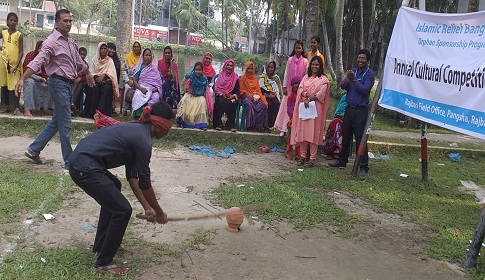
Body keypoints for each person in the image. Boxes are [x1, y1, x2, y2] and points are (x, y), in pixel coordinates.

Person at [69, 101, 174, 276]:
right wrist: (159, 212)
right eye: (169, 126)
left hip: (84, 162)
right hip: (84, 166)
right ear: (160, 123)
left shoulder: (139, 133)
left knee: (115, 187)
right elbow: (145, 184)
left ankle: (101, 245)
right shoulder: (143, 141)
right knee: (123, 210)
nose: (168, 132)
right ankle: (104, 261)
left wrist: (147, 208)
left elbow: (132, 177)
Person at [15, 9, 95, 169]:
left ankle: (33, 150)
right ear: (57, 22)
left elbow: (77, 60)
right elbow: (39, 61)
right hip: (57, 84)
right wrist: (23, 78)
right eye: (65, 21)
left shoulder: (70, 41)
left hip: (68, 84)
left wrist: (87, 72)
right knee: (65, 124)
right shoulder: (51, 42)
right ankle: (69, 161)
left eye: (70, 21)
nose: (68, 23)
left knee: (56, 121)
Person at [329, 49, 375, 175]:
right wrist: (349, 79)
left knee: (360, 138)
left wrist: (354, 80)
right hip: (349, 109)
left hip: (361, 110)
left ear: (368, 61)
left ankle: (363, 166)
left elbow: (365, 90)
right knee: (346, 135)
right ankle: (342, 160)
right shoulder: (353, 71)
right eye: (359, 57)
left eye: (363, 58)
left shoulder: (369, 75)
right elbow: (342, 86)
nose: (360, 60)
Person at [290, 56, 330, 167]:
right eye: (313, 64)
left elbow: (322, 94)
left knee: (314, 133)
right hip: (304, 108)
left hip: (316, 109)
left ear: (320, 66)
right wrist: (306, 95)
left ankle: (312, 158)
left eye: (317, 64)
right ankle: (302, 156)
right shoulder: (305, 78)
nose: (314, 66)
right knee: (303, 132)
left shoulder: (324, 80)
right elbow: (300, 89)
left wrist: (310, 98)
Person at [274, 40, 308, 137]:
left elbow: (306, 76)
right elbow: (287, 73)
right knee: (286, 108)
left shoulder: (305, 61)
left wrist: (303, 89)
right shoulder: (290, 60)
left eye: (299, 48)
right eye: (296, 48)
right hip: (289, 89)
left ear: (302, 49)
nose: (298, 50)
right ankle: (283, 129)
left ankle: (295, 130)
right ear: (294, 49)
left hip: (300, 90)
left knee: (296, 110)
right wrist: (284, 87)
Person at [81, 42, 118, 118]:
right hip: (94, 80)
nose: (103, 50)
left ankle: (101, 113)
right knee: (95, 87)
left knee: (107, 89)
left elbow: (112, 74)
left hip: (106, 81)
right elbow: (90, 72)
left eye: (105, 49)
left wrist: (104, 75)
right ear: (99, 49)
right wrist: (96, 77)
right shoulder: (94, 60)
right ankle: (92, 112)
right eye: (102, 48)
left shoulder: (110, 61)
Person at [21, 40, 52, 117]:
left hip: (43, 79)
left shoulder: (48, 57)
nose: (41, 51)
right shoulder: (30, 55)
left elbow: (51, 70)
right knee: (29, 82)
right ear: (37, 48)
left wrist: (47, 79)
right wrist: (39, 78)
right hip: (31, 78)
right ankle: (27, 109)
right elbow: (25, 71)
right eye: (39, 48)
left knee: (52, 84)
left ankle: (45, 108)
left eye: (43, 49)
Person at [1, 12, 23, 115]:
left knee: (16, 85)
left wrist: (16, 65)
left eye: (15, 20)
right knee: (4, 84)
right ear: (7, 21)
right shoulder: (4, 32)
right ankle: (6, 106)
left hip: (15, 64)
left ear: (17, 22)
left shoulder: (19, 34)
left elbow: (21, 52)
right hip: (3, 62)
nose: (13, 22)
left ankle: (17, 107)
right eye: (11, 20)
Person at [176, 61, 210, 129]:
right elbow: (183, 84)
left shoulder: (204, 79)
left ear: (202, 70)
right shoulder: (190, 76)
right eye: (196, 70)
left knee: (202, 102)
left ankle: (201, 124)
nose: (197, 71)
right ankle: (181, 122)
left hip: (200, 96)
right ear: (194, 70)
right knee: (184, 101)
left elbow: (207, 90)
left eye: (199, 70)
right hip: (190, 95)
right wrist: (183, 93)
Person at [131, 48, 163, 118]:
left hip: (152, 89)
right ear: (143, 56)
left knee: (156, 96)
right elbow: (135, 81)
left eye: (149, 55)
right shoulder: (139, 68)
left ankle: (149, 114)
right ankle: (138, 116)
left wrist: (156, 89)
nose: (148, 57)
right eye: (146, 55)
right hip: (142, 87)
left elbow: (158, 83)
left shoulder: (154, 68)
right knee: (138, 95)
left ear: (152, 56)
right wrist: (141, 88)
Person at [239, 61, 268, 132]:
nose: (250, 70)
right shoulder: (243, 79)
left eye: (251, 69)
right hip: (246, 97)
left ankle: (258, 126)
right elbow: (241, 90)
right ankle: (250, 126)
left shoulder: (255, 79)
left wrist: (254, 95)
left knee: (263, 105)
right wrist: (248, 95)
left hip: (255, 97)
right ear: (246, 69)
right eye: (248, 68)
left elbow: (258, 90)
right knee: (250, 105)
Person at [213, 58, 239, 132]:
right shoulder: (220, 76)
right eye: (228, 65)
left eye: (231, 66)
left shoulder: (235, 77)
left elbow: (237, 90)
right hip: (221, 95)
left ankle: (230, 125)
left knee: (233, 103)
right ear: (225, 66)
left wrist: (233, 96)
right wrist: (222, 94)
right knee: (221, 101)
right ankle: (218, 124)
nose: (229, 67)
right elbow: (216, 89)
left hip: (231, 96)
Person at [322, 94, 347, 160]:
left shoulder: (354, 100)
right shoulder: (344, 96)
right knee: (333, 130)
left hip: (346, 119)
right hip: (338, 117)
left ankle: (337, 150)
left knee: (338, 131)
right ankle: (330, 151)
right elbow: (338, 109)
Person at [259, 61, 282, 130]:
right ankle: (264, 125)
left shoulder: (276, 78)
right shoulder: (263, 77)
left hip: (274, 96)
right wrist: (266, 95)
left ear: (274, 68)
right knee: (266, 104)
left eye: (272, 67)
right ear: (266, 68)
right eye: (269, 67)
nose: (270, 69)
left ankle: (272, 125)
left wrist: (274, 95)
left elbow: (279, 90)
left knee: (274, 103)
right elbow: (260, 88)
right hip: (264, 96)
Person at [121, 41, 142, 116]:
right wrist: (127, 81)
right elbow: (123, 70)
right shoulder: (128, 57)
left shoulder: (142, 58)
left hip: (139, 81)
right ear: (133, 48)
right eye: (135, 47)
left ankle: (135, 110)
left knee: (140, 89)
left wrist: (137, 81)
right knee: (127, 88)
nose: (136, 48)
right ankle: (125, 110)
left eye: (138, 47)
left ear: (140, 48)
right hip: (129, 80)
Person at [72, 47, 88, 112]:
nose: (82, 56)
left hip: (81, 82)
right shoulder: (74, 62)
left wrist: (80, 79)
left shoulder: (86, 65)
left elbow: (87, 75)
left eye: (84, 55)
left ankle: (73, 103)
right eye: (81, 54)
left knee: (80, 85)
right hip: (73, 79)